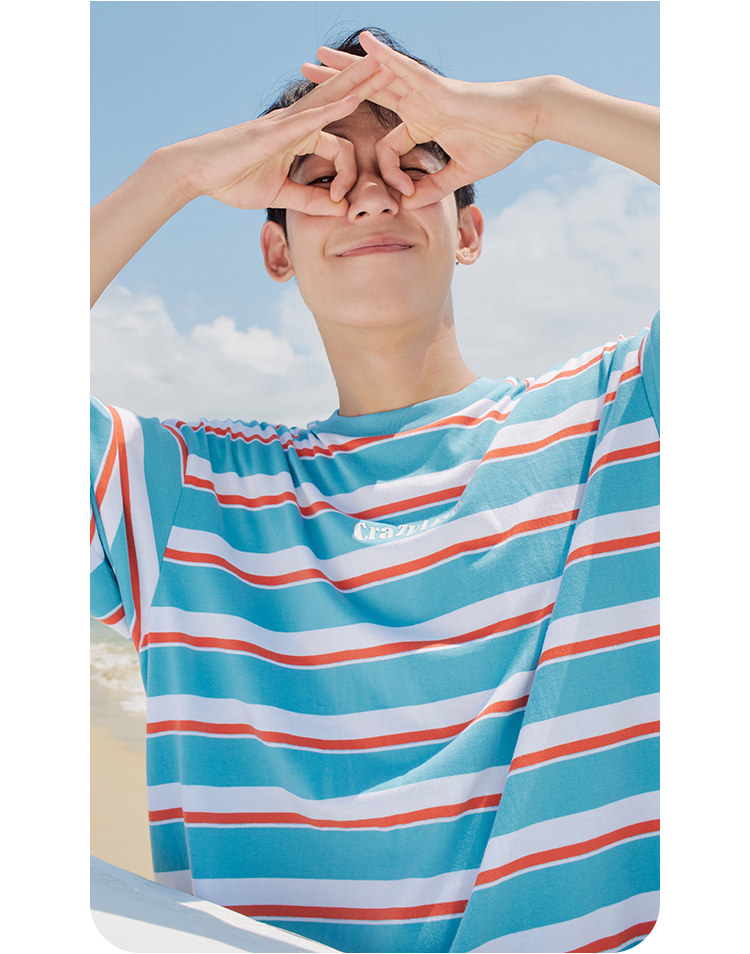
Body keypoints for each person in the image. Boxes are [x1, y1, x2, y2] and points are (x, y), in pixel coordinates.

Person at [90, 28, 659, 954]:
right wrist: (175, 175)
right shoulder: (182, 494)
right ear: (276, 250)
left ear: (468, 231)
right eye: (316, 177)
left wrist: (544, 109)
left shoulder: (626, 418)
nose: (367, 195)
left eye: (417, 163)